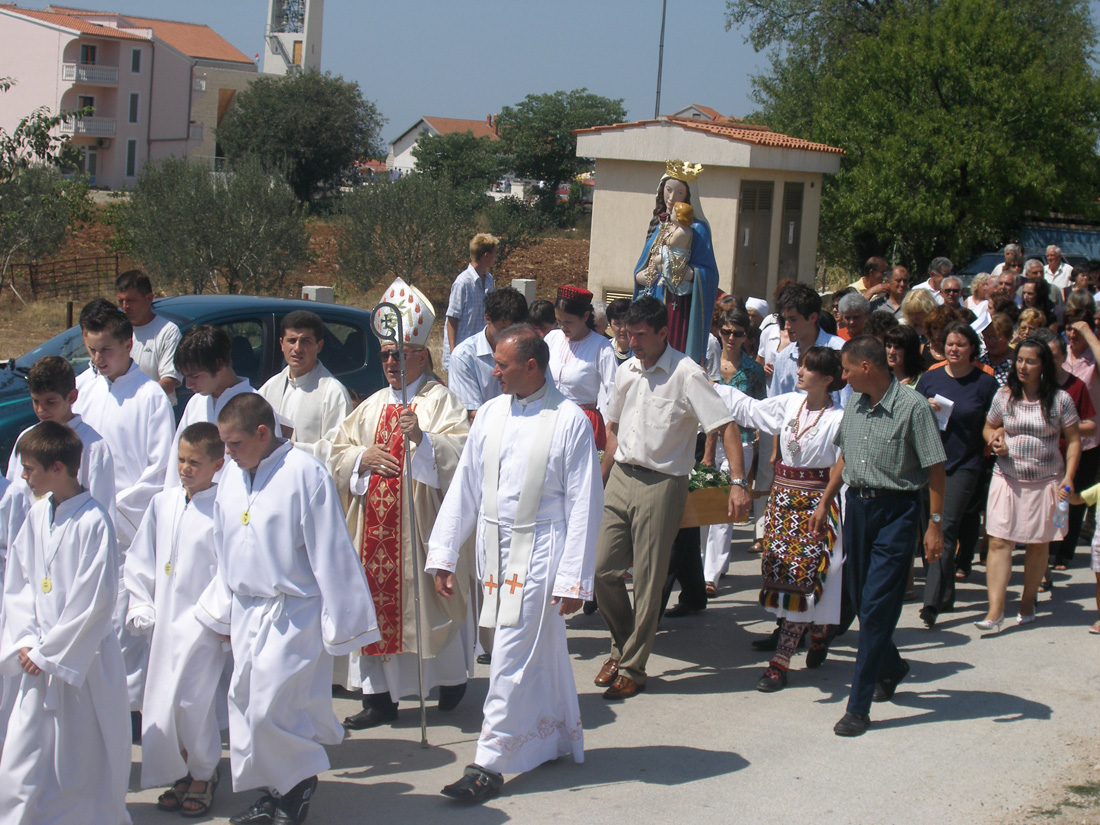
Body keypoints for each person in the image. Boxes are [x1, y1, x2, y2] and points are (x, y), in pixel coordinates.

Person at [425, 325, 602, 803]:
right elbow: (467, 484)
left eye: (501, 365)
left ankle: (488, 763)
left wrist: (573, 579)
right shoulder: (490, 412)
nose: (494, 372)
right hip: (491, 548)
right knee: (533, 650)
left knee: (508, 654)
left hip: (542, 550)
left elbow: (585, 501)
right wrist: (444, 552)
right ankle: (553, 734)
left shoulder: (569, 420)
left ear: (531, 366)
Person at [196, 393, 379, 825]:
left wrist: (345, 622)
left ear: (263, 433)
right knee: (243, 704)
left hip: (293, 611)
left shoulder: (304, 474)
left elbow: (331, 550)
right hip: (246, 609)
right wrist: (224, 610)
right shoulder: (234, 477)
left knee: (272, 707)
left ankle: (298, 786)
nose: (227, 454)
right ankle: (276, 791)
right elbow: (224, 545)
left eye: (234, 444)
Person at [328, 279, 472, 730]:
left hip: (421, 530)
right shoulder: (369, 407)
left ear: (422, 357)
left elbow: (464, 455)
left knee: (427, 605)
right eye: (385, 354)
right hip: (373, 533)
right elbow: (337, 454)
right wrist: (359, 458)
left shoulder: (440, 402)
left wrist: (424, 441)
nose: (390, 362)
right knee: (374, 606)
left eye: (399, 354)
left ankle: (449, 681)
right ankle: (379, 698)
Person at [593, 297, 749, 699]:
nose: (633, 342)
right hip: (621, 478)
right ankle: (625, 645)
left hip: (663, 484)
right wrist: (601, 478)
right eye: (628, 334)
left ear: (664, 333)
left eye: (642, 335)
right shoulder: (626, 370)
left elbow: (725, 425)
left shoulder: (686, 373)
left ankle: (631, 665)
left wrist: (737, 481)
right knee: (602, 572)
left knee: (647, 580)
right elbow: (612, 428)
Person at [813, 336, 946, 737]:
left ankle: (859, 706)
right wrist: (825, 502)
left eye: (847, 369)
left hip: (898, 512)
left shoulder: (913, 408)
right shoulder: (853, 403)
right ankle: (892, 666)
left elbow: (936, 470)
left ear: (867, 368)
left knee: (875, 607)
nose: (843, 376)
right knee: (859, 597)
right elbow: (845, 456)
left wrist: (934, 525)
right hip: (859, 510)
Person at [0, 421, 130, 824]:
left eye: (30, 468)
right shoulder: (38, 514)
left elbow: (94, 600)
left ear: (58, 468)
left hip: (81, 661)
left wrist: (50, 652)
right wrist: (24, 640)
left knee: (82, 759)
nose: (23, 476)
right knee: (20, 760)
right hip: (35, 657)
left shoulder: (94, 521)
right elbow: (19, 582)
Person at [73, 298, 175, 713]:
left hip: (125, 532)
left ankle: (131, 709)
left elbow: (159, 469)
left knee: (124, 625)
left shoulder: (150, 397)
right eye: (92, 349)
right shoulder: (81, 389)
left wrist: (111, 509)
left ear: (129, 344)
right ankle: (90, 702)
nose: (98, 359)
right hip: (82, 528)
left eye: (106, 350)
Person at [724, 347, 845, 690]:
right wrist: (711, 387)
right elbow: (751, 409)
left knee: (802, 576)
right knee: (781, 572)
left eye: (808, 369)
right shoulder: (791, 403)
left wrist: (826, 504)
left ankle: (780, 662)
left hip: (814, 506)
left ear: (827, 380)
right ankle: (818, 629)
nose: (800, 372)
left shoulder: (838, 419)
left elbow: (843, 463)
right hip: (782, 501)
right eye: (802, 366)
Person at [124, 422, 228, 815]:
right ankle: (181, 769)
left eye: (194, 462)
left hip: (201, 623)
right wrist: (141, 603)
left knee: (193, 701)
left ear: (217, 464)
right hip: (163, 622)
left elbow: (229, 568)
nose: (185, 468)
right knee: (163, 702)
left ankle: (205, 771)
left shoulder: (223, 507)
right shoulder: (163, 503)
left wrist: (215, 617)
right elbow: (140, 559)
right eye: (181, 460)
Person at [979, 339, 1080, 633]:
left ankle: (1027, 600)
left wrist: (1069, 477)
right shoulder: (1004, 395)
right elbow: (988, 425)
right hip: (1006, 478)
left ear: (1043, 365)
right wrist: (993, 439)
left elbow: (1074, 441)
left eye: (1031, 361)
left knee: (1038, 544)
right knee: (998, 540)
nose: (1023, 366)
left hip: (1046, 480)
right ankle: (995, 610)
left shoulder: (1061, 400)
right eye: (1019, 360)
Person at [916, 322, 999, 627]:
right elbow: (911, 413)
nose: (954, 349)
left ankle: (931, 601)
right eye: (950, 343)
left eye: (961, 345)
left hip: (965, 464)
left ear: (972, 350)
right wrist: (923, 406)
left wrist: (997, 435)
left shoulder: (985, 383)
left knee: (944, 527)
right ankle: (945, 591)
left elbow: (999, 419)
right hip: (929, 463)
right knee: (929, 528)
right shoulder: (930, 378)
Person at [6, 355, 116, 523]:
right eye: (35, 401)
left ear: (71, 397)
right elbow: (14, 498)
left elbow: (101, 509)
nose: (41, 410)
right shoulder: (26, 439)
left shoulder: (93, 447)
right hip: (30, 538)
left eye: (50, 402)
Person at [703, 308, 766, 593]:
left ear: (746, 337)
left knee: (728, 502)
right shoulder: (706, 367)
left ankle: (711, 574)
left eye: (738, 333)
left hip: (740, 443)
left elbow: (759, 410)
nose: (731, 338)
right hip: (708, 442)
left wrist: (758, 445)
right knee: (705, 502)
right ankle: (708, 562)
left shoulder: (753, 370)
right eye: (726, 331)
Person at [633, 159, 719, 364]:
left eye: (679, 192)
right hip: (653, 297)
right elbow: (645, 263)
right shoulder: (659, 226)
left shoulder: (697, 229)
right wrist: (640, 277)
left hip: (677, 304)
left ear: (688, 196)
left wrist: (685, 272)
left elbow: (708, 273)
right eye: (668, 190)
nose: (671, 198)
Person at [165, 325, 254, 489]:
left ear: (219, 365)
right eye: (185, 377)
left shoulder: (255, 406)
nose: (189, 385)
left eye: (195, 376)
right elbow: (175, 461)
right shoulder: (196, 402)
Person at [259, 310, 353, 463]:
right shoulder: (270, 388)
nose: (297, 348)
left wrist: (290, 447)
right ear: (281, 344)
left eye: (306, 341)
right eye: (292, 340)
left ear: (319, 346)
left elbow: (339, 451)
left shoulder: (333, 393)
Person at [545, 285, 617, 450]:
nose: (563, 327)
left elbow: (614, 394)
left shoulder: (601, 347)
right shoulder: (552, 339)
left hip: (583, 422)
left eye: (569, 322)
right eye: (559, 321)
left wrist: (611, 430)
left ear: (585, 316)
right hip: (550, 416)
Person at [448, 287, 529, 423]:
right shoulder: (464, 356)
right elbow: (472, 414)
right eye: (503, 329)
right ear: (488, 318)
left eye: (516, 330)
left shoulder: (530, 350)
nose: (510, 336)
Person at [116, 269, 182, 404]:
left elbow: (169, 382)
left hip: (154, 413)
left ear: (149, 299)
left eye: (130, 300)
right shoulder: (117, 331)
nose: (125, 307)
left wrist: (135, 400)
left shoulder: (168, 332)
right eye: (121, 301)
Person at [770, 283, 844, 397]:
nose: (786, 326)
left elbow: (847, 402)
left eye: (793, 319)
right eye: (785, 319)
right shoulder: (784, 357)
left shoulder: (839, 350)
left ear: (813, 317)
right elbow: (775, 404)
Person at [443, 233, 497, 371]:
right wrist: (454, 351)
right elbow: (452, 319)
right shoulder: (463, 283)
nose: (494, 258)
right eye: (493, 254)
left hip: (480, 351)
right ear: (486, 255)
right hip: (462, 352)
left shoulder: (489, 281)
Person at [979, 313, 1016, 386]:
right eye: (988, 337)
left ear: (1008, 337)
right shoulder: (980, 360)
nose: (991, 342)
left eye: (995, 337)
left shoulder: (1016, 363)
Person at [606, 297, 633, 365]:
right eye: (618, 324)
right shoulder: (604, 349)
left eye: (627, 323)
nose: (623, 329)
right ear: (610, 325)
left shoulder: (643, 350)